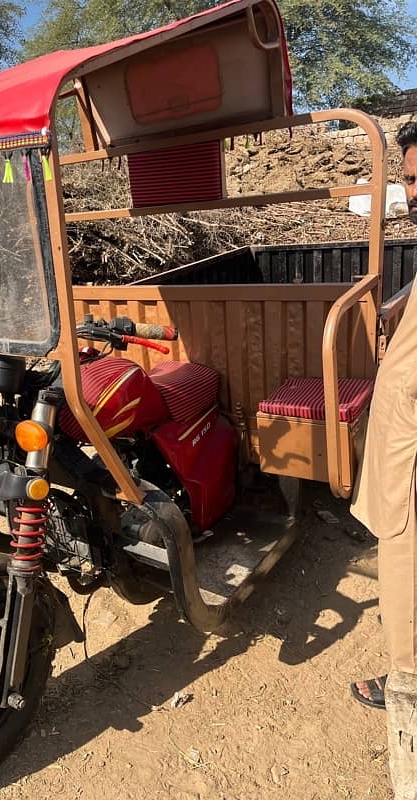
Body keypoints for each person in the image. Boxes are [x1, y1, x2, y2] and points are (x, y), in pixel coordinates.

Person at [350, 119, 417, 799]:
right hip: (401, 442)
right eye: (409, 178)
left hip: (415, 461)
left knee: (408, 575)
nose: (414, 191)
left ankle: (408, 690)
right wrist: (397, 303)